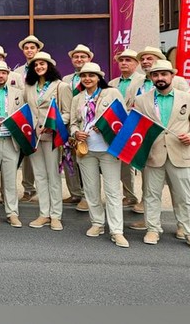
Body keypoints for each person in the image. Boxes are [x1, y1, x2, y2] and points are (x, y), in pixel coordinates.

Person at [133, 60, 190, 251]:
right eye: (156, 75)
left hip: (181, 154)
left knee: (186, 197)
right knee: (151, 195)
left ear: (172, 76)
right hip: (153, 155)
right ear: (151, 78)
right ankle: (152, 229)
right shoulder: (142, 100)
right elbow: (135, 128)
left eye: (164, 74)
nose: (160, 78)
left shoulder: (187, 98)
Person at [69, 62, 129, 248]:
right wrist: (75, 133)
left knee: (112, 191)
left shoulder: (112, 93)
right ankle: (97, 223)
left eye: (92, 75)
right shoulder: (77, 98)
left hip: (108, 149)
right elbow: (72, 123)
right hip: (86, 149)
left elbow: (123, 118)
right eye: (84, 75)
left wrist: (105, 125)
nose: (87, 79)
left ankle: (117, 231)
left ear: (98, 78)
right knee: (91, 189)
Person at [23, 51, 72, 231]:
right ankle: (44, 213)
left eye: (42, 64)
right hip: (33, 137)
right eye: (36, 65)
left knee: (53, 175)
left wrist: (54, 124)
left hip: (52, 136)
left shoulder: (61, 86)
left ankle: (56, 215)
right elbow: (25, 109)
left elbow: (68, 112)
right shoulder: (29, 86)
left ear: (50, 66)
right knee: (40, 176)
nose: (39, 67)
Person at [0, 60, 25, 228]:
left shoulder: (17, 93)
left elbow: (24, 114)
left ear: (8, 75)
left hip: (11, 140)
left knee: (10, 179)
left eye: (3, 73)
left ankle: (12, 212)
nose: (0, 75)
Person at [108, 49, 146, 208]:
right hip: (117, 128)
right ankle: (129, 195)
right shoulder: (112, 83)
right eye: (121, 60)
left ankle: (146, 199)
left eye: (128, 60)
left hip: (137, 126)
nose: (124, 63)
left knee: (143, 165)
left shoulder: (144, 80)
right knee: (123, 162)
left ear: (136, 63)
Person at [61, 44, 94, 212]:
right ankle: (75, 193)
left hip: (87, 126)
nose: (79, 59)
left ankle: (89, 197)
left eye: (83, 57)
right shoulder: (66, 79)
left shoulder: (95, 78)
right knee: (69, 159)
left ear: (89, 59)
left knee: (86, 161)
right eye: (76, 57)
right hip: (70, 124)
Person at [14, 35, 43, 204]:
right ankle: (28, 188)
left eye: (33, 47)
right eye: (27, 48)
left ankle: (42, 191)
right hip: (22, 118)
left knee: (41, 156)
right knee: (25, 156)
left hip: (40, 120)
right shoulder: (17, 72)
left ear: (37, 50)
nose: (30, 50)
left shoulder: (44, 67)